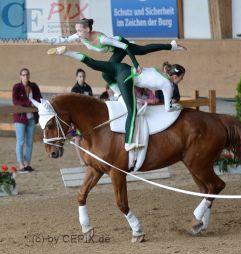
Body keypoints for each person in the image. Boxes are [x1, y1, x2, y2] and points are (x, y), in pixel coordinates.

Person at [47, 46, 186, 151]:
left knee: (93, 63)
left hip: (121, 69)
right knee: (132, 111)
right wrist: (178, 106)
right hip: (126, 77)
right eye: (181, 78)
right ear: (174, 77)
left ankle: (66, 52)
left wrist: (171, 45)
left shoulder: (158, 70)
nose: (182, 80)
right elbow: (168, 108)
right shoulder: (168, 84)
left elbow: (147, 48)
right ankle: (128, 142)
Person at [51, 18, 186, 97]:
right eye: (77, 30)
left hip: (122, 46)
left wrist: (136, 64)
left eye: (80, 30)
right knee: (106, 73)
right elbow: (65, 39)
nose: (77, 33)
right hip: (115, 51)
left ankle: (171, 46)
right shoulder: (80, 36)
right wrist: (46, 41)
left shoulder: (102, 39)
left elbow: (125, 48)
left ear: (87, 30)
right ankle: (118, 92)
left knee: (142, 50)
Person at [12, 68, 42, 173]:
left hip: (31, 118)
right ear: (20, 76)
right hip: (20, 118)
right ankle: (21, 165)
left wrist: (37, 103)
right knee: (20, 142)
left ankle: (27, 164)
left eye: (27, 75)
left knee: (30, 142)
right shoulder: (17, 87)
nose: (26, 77)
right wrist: (29, 103)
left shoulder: (34, 86)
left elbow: (39, 98)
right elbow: (15, 101)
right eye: (23, 75)